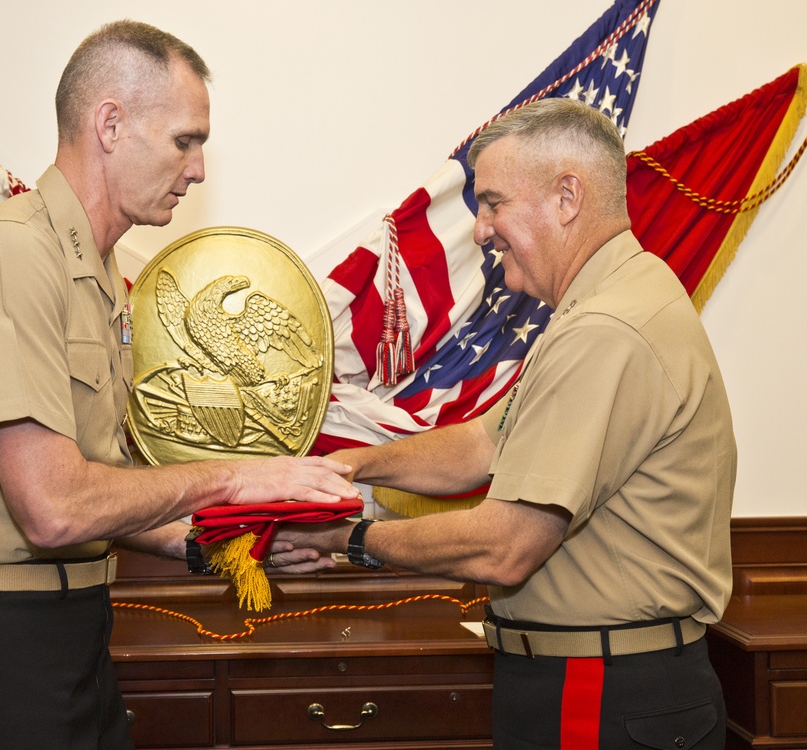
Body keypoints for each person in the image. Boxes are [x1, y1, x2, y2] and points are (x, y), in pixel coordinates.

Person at [0, 20, 357, 750]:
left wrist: (215, 545)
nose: (198, 168)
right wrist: (234, 480)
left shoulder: (99, 274)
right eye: (185, 140)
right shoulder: (11, 252)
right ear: (111, 124)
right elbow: (52, 509)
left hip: (69, 631)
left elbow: (99, 487)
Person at [280, 97, 737, 749]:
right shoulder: (609, 300)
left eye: (493, 202)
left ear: (566, 197)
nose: (481, 231)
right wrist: (351, 464)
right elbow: (483, 443)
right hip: (598, 677)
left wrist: (346, 539)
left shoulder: (606, 329)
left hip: (602, 689)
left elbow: (507, 544)